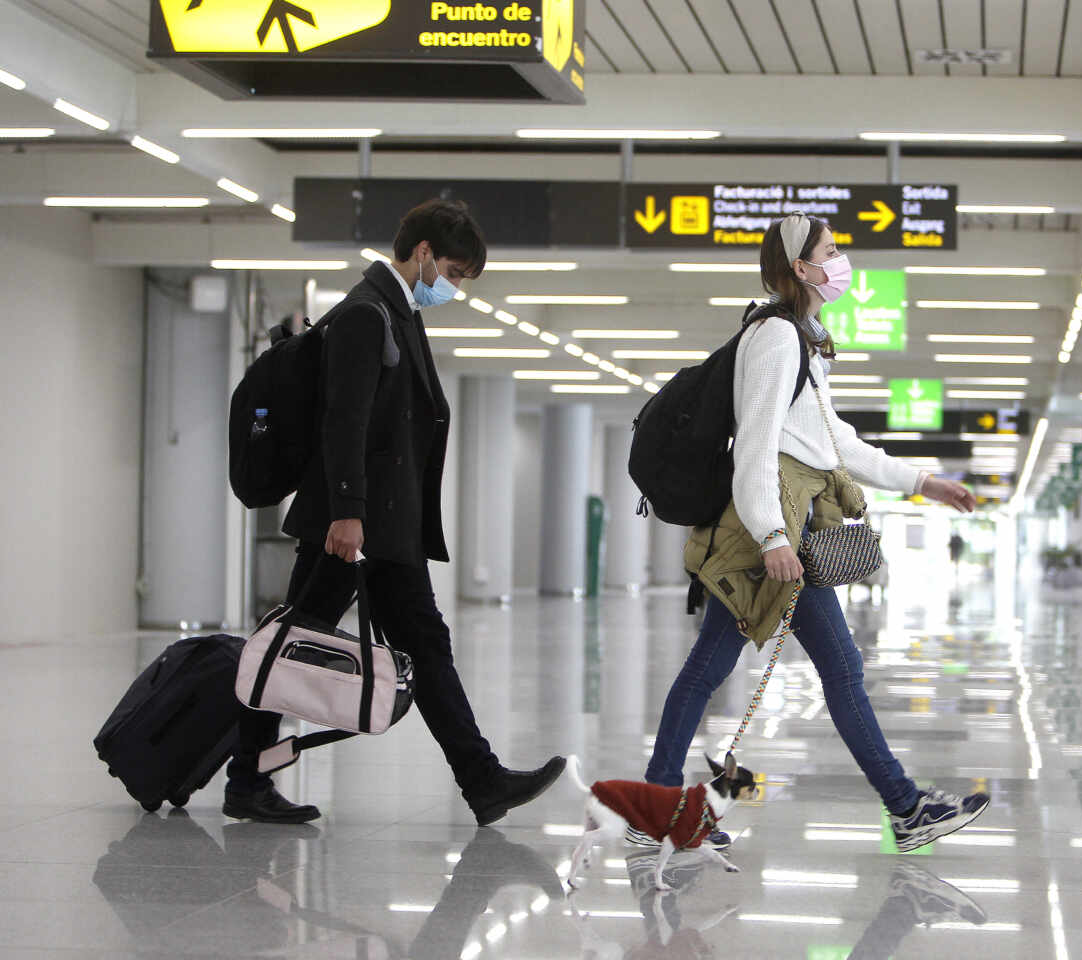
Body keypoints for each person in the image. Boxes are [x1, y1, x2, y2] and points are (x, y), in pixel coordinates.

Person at [636, 213, 989, 852]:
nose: (840, 259)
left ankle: (659, 810)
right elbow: (757, 445)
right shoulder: (775, 337)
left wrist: (920, 481)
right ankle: (905, 810)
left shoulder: (802, 337)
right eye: (830, 250)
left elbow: (833, 441)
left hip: (780, 526)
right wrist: (772, 537)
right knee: (786, 669)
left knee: (741, 668)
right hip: (769, 531)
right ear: (801, 268)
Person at [225, 198, 565, 824]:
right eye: (455, 273)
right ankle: (246, 777)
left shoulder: (393, 311)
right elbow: (343, 422)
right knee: (291, 645)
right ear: (425, 253)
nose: (455, 287)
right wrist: (348, 513)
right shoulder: (365, 313)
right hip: (354, 525)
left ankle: (482, 780)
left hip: (381, 527)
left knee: (413, 644)